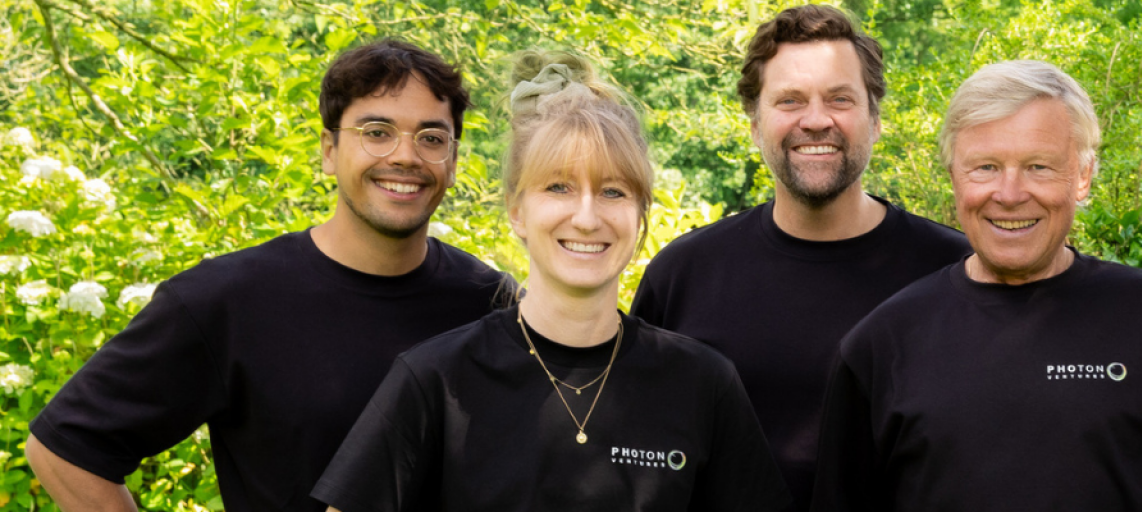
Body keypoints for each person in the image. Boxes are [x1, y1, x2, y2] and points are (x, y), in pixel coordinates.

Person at [24, 40, 507, 512]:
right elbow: (63, 449)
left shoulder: (492, 305)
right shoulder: (228, 300)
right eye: (376, 132)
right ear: (329, 150)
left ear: (453, 161)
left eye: (431, 138)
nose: (405, 156)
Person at [311, 52, 788, 511]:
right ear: (517, 210)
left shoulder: (702, 383)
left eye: (613, 191)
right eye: (558, 187)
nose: (586, 218)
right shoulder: (435, 379)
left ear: (641, 212)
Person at [811, 60, 1142, 512]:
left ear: (1083, 176)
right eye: (985, 167)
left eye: (1038, 166)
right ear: (953, 177)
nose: (1009, 194)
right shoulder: (882, 346)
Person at [629, 5, 970, 509]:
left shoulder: (954, 271)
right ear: (754, 124)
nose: (815, 120)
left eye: (840, 99)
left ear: (875, 120)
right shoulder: (683, 276)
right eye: (790, 100)